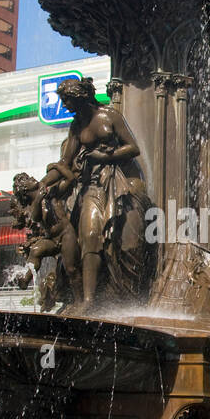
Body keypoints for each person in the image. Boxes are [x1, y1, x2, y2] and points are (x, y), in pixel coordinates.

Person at [53, 76, 152, 311]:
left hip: (123, 181)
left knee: (128, 244)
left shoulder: (109, 116)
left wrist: (104, 156)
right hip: (95, 184)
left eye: (67, 100)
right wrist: (45, 185)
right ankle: (88, 300)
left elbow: (133, 147)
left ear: (81, 97)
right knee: (89, 234)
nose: (65, 106)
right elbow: (65, 162)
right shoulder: (77, 126)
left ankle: (128, 297)